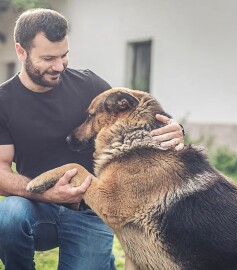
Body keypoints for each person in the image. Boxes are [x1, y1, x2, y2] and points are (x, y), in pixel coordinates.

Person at [0, 8, 184, 270]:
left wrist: (176, 129)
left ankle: (99, 261)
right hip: (38, 207)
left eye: (64, 56)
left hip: (92, 210)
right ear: (21, 52)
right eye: (48, 58)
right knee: (8, 216)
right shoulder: (3, 101)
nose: (59, 66)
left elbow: (137, 110)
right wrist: (47, 194)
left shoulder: (89, 83)